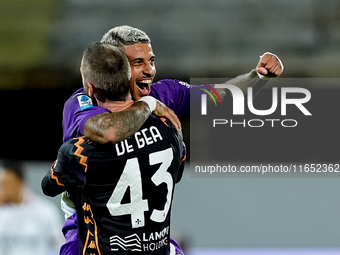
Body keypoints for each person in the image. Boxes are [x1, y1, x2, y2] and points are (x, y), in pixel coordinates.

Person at [60, 26, 284, 255]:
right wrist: (147, 107)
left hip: (150, 241)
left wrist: (256, 76)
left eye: (152, 60)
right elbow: (105, 131)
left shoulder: (164, 94)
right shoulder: (84, 102)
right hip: (93, 239)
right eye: (138, 63)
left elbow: (219, 96)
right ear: (116, 66)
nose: (150, 70)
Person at [42, 42, 185, 255]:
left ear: (90, 89)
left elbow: (49, 186)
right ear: (129, 80)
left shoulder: (80, 152)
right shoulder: (169, 128)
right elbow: (177, 173)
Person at [0, 160, 64, 255]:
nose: (4, 189)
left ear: (20, 183)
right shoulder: (2, 212)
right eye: (2, 184)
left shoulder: (45, 210)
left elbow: (60, 245)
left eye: (8, 184)